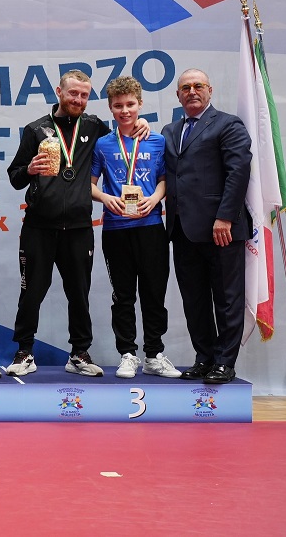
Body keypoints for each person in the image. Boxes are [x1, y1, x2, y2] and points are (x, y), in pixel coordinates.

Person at [6, 70, 150, 377]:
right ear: (59, 92)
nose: (78, 99)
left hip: (78, 228)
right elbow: (15, 177)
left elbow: (122, 136)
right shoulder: (35, 130)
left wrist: (142, 123)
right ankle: (24, 351)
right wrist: (30, 169)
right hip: (39, 227)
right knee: (31, 292)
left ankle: (79, 354)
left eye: (84, 95)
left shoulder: (94, 127)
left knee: (79, 293)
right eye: (73, 93)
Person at [162, 68, 252, 384]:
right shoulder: (169, 131)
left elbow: (239, 171)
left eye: (198, 85)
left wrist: (225, 216)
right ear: (177, 95)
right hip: (182, 230)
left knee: (227, 299)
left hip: (221, 229)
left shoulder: (228, 125)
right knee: (194, 300)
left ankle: (225, 362)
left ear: (210, 90)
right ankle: (205, 358)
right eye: (185, 87)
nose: (192, 91)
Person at [90, 76, 181, 378]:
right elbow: (90, 184)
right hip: (116, 229)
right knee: (123, 295)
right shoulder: (103, 144)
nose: (125, 111)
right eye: (118, 106)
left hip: (150, 226)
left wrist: (155, 198)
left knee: (154, 294)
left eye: (130, 104)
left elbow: (165, 179)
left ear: (140, 104)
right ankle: (127, 354)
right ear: (110, 108)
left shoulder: (156, 140)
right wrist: (106, 198)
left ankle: (154, 354)